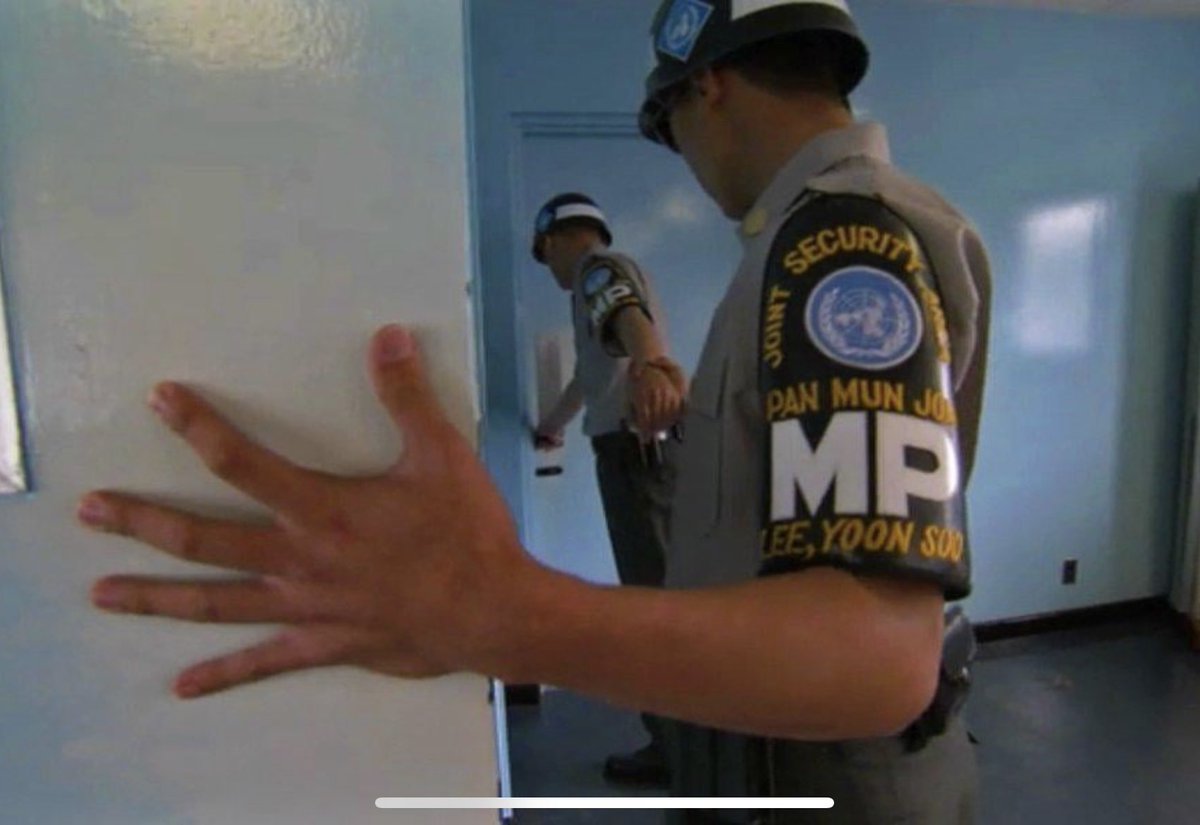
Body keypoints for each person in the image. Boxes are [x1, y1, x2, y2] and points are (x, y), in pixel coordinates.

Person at [79, 1, 991, 822]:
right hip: (775, 753)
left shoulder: (840, 237)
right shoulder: (813, 234)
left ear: (705, 84)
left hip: (833, 783)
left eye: (669, 127)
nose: (688, 160)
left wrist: (499, 614)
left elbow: (879, 657)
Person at [529, 193, 685, 787]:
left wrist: (651, 366)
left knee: (653, 605)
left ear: (551, 241)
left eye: (544, 258)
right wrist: (553, 425)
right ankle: (691, 738)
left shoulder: (598, 272)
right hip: (642, 446)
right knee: (665, 596)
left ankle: (679, 748)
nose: (549, 271)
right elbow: (588, 377)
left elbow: (632, 325)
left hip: (634, 450)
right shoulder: (611, 275)